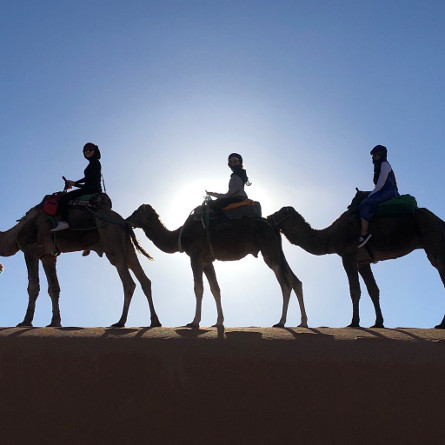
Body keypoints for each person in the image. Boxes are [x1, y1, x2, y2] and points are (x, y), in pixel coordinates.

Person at [51, 142, 103, 232]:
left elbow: (89, 179)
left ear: (95, 151)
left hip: (91, 189)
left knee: (64, 198)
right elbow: (87, 180)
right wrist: (74, 183)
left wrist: (74, 184)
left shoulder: (95, 162)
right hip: (90, 188)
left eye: (90, 149)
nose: (87, 151)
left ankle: (64, 222)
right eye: (85, 150)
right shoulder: (93, 163)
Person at [358, 144, 399, 247]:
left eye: (377, 155)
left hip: (388, 192)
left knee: (364, 204)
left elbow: (380, 185)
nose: (375, 157)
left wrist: (369, 196)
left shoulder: (385, 165)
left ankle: (364, 234)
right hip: (385, 191)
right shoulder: (381, 166)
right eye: (374, 155)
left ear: (382, 155)